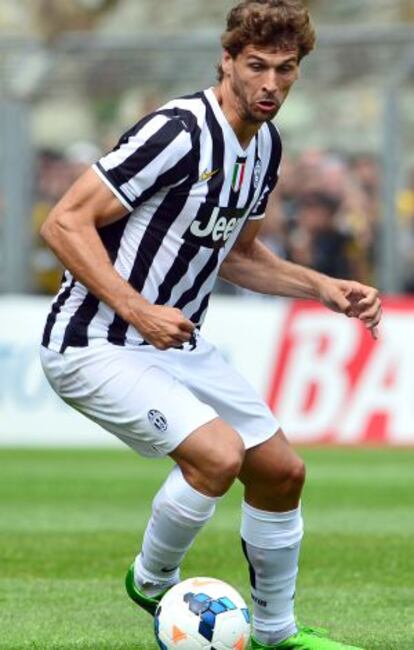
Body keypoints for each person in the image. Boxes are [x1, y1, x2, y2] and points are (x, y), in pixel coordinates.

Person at [39, 1, 382, 648]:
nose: (270, 84)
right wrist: (138, 307)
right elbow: (63, 222)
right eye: (256, 66)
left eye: (285, 70)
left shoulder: (266, 146)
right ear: (226, 61)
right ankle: (151, 578)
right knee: (219, 456)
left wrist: (321, 287)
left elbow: (241, 254)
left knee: (282, 471)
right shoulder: (177, 132)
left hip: (178, 344)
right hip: (94, 341)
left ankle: (277, 634)